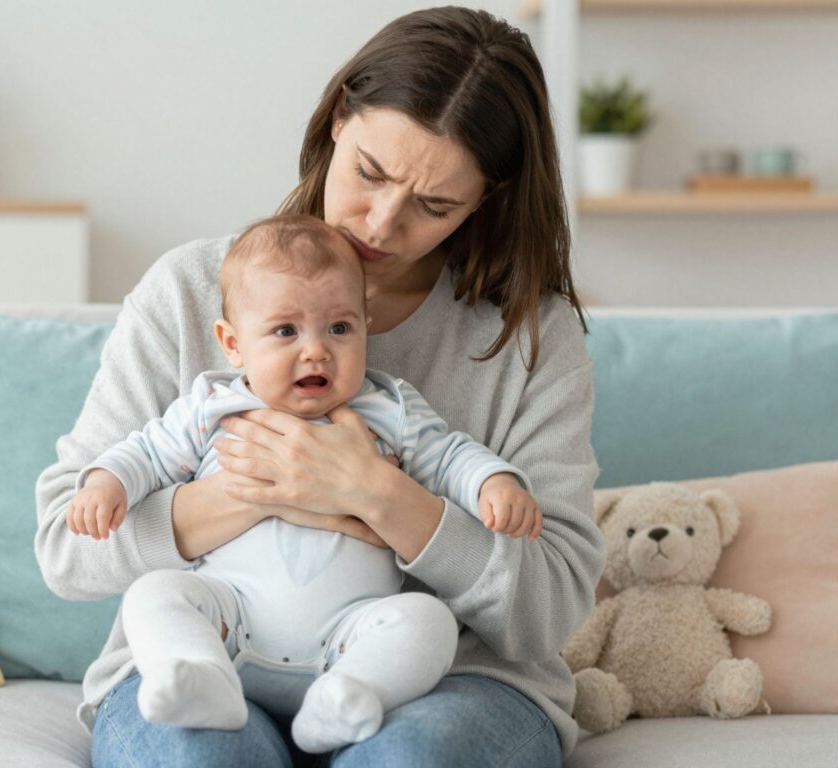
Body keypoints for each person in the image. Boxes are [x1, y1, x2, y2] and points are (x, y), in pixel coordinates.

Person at [36, 7, 605, 767]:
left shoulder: (529, 333)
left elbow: (551, 607)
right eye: (370, 173)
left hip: (451, 680)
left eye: (434, 205)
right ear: (339, 118)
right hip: (219, 648)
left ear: (487, 197)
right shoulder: (190, 291)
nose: (381, 223)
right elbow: (66, 547)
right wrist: (273, 488)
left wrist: (381, 496)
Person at [65, 214, 542, 754]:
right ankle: (200, 676)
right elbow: (146, 453)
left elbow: (450, 455)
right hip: (228, 622)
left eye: (339, 329)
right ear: (233, 344)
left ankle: (348, 696)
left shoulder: (390, 408)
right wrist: (106, 484)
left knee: (429, 621)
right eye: (286, 331)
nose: (316, 350)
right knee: (154, 595)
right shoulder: (212, 406)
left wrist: (494, 483)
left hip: (348, 635)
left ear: (365, 327)